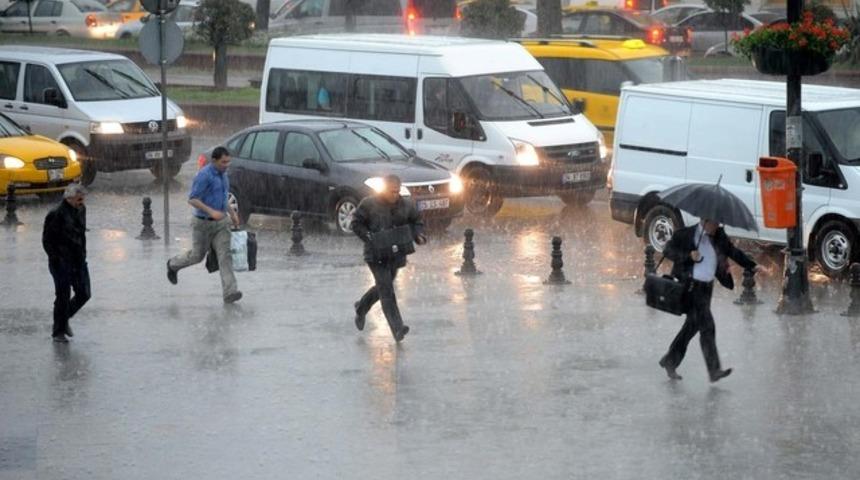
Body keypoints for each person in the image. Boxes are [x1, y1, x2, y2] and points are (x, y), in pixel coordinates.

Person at [659, 219, 757, 382]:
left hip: (706, 288)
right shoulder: (685, 235)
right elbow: (668, 250)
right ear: (704, 220)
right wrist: (688, 256)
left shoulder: (719, 236)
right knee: (708, 327)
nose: (717, 225)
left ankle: (670, 361)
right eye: (714, 222)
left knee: (691, 327)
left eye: (719, 222)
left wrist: (752, 266)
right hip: (690, 287)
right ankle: (714, 370)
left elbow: (733, 252)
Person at [351, 175, 426, 342]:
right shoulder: (368, 204)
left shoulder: (406, 205)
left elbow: (417, 221)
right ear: (383, 189)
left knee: (383, 286)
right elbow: (356, 223)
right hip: (375, 255)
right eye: (392, 192)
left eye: (397, 192)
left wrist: (418, 235)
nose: (395, 195)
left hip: (396, 255)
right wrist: (369, 236)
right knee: (386, 290)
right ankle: (397, 328)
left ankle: (361, 307)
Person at [166, 146, 242, 304]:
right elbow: (192, 199)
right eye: (223, 162)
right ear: (214, 161)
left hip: (221, 224)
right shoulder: (204, 175)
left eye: (228, 162)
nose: (226, 165)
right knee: (197, 256)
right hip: (202, 224)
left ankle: (230, 292)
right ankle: (173, 265)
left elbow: (223, 198)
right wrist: (211, 211)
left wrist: (233, 215)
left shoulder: (224, 175)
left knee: (225, 256)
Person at [42, 184, 91, 343]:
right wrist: (56, 258)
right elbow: (47, 240)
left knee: (84, 293)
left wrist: (82, 253)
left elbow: (81, 233)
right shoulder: (56, 214)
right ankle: (59, 332)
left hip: (78, 259)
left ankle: (62, 320)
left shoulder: (81, 209)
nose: (81, 202)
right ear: (69, 198)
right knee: (63, 295)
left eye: (83, 199)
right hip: (61, 261)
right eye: (79, 199)